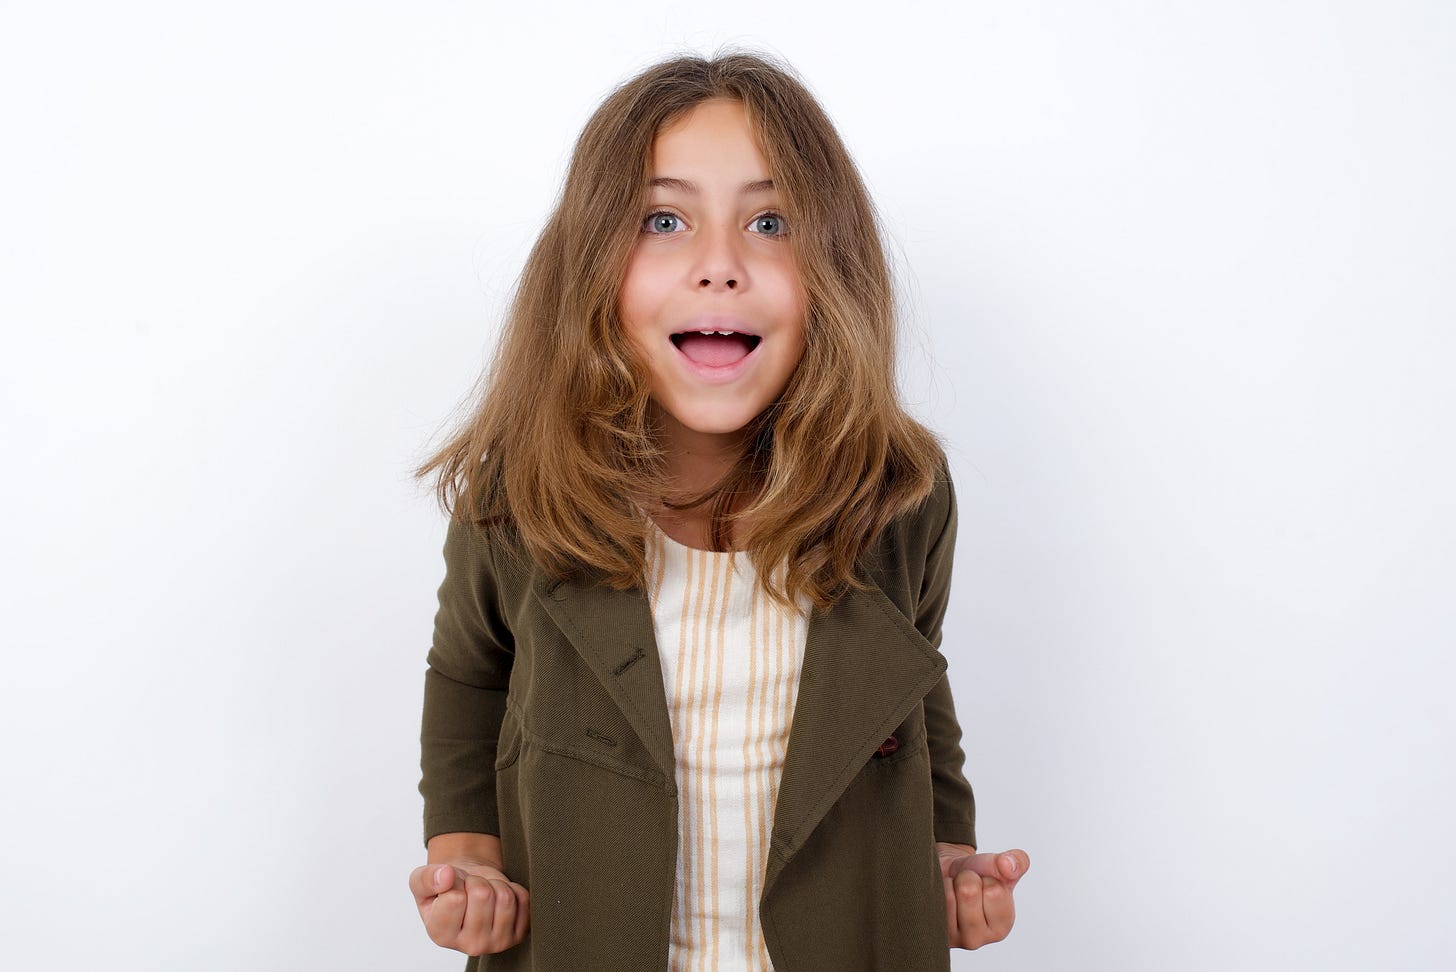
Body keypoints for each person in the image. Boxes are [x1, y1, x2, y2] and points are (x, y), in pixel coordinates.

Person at [406, 50, 1030, 971]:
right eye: (664, 220)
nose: (720, 268)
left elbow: (915, 690)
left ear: (836, 270)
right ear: (589, 263)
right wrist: (467, 855)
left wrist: (939, 850)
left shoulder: (900, 494)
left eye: (771, 221)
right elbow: (467, 678)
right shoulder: (520, 497)